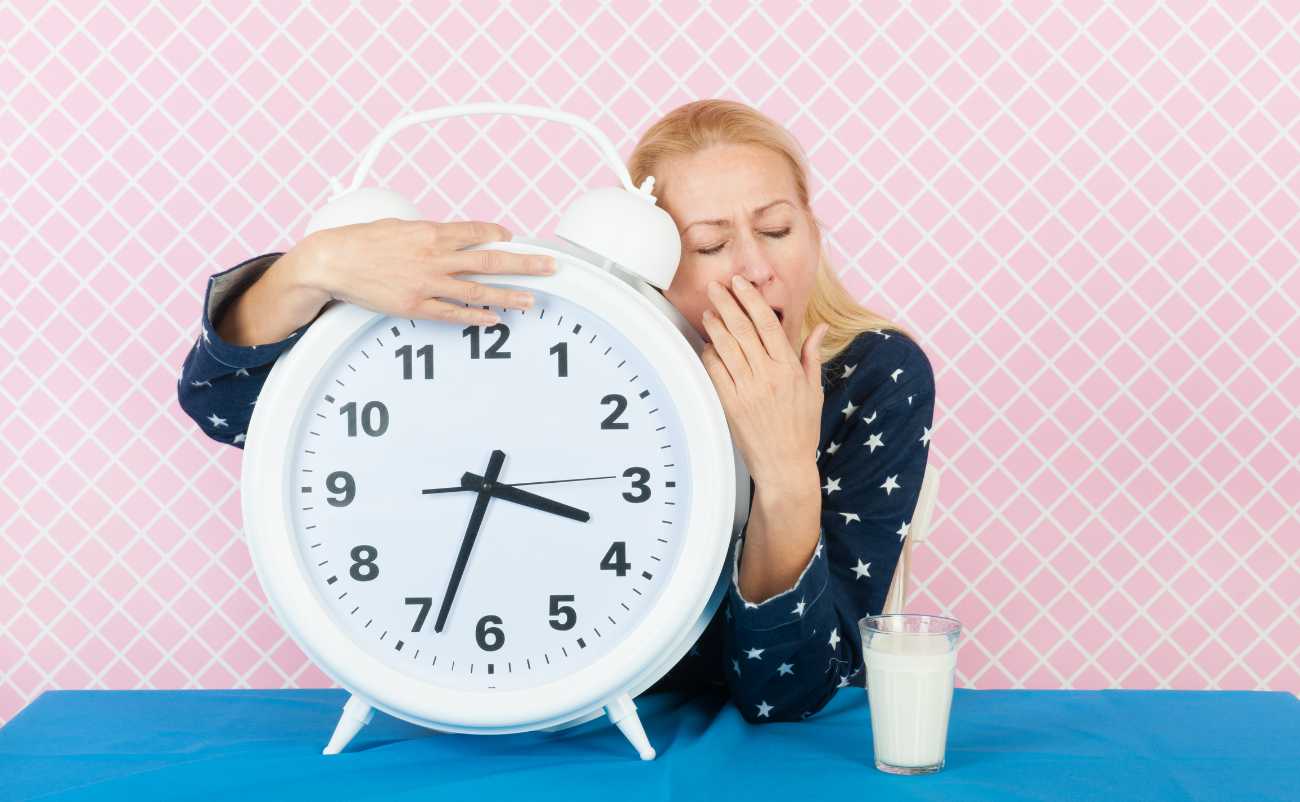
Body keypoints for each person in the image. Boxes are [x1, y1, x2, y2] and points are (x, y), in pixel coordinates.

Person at [177, 99, 936, 724]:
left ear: (812, 228)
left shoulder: (873, 374)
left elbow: (789, 691)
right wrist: (314, 267)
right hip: (553, 723)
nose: (757, 267)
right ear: (658, 267)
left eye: (776, 229)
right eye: (710, 244)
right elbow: (222, 407)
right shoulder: (585, 342)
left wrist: (784, 476)